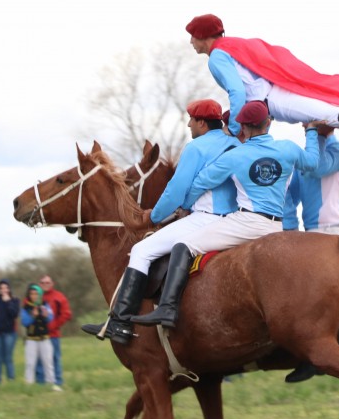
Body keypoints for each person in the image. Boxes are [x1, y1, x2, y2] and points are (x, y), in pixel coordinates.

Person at [128, 100, 320, 335]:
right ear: (268, 123)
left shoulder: (235, 156)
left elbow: (201, 182)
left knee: (183, 245)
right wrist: (310, 130)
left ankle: (167, 308)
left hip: (246, 223)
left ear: (244, 128)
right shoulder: (288, 149)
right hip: (277, 227)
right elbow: (313, 162)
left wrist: (185, 206)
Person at [185, 13, 339, 170]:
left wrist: (236, 128)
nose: (191, 42)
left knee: (334, 116)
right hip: (277, 93)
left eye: (192, 37)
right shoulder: (232, 45)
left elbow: (237, 92)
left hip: (275, 100)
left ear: (201, 36)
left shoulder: (216, 57)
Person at [82, 99, 239, 341]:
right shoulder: (236, 143)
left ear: (202, 123)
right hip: (237, 220)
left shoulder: (195, 149)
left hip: (207, 218)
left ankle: (121, 323)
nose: (188, 125)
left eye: (191, 120)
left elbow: (175, 190)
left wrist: (152, 216)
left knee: (141, 250)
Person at [282, 123, 339, 383]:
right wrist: (289, 227)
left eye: (309, 122)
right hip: (311, 235)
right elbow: (291, 195)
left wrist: (312, 131)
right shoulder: (305, 156)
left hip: (337, 233)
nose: (303, 125)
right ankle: (309, 355)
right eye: (304, 122)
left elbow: (318, 166)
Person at [21, 284, 61, 391]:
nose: (34, 296)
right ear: (28, 295)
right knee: (30, 363)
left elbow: (50, 318)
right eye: (32, 294)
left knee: (48, 362)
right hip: (31, 340)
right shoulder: (26, 307)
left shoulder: (45, 305)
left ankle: (51, 383)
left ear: (40, 295)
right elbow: (24, 322)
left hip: (45, 338)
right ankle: (29, 384)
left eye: (36, 294)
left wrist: (46, 315)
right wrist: (33, 316)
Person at [35, 275, 72, 387]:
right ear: (39, 284)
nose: (45, 284)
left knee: (54, 358)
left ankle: (57, 381)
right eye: (43, 282)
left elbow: (66, 314)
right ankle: (40, 382)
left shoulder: (59, 296)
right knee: (39, 359)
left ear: (52, 283)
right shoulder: (35, 297)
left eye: (47, 282)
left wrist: (53, 325)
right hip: (37, 335)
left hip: (53, 334)